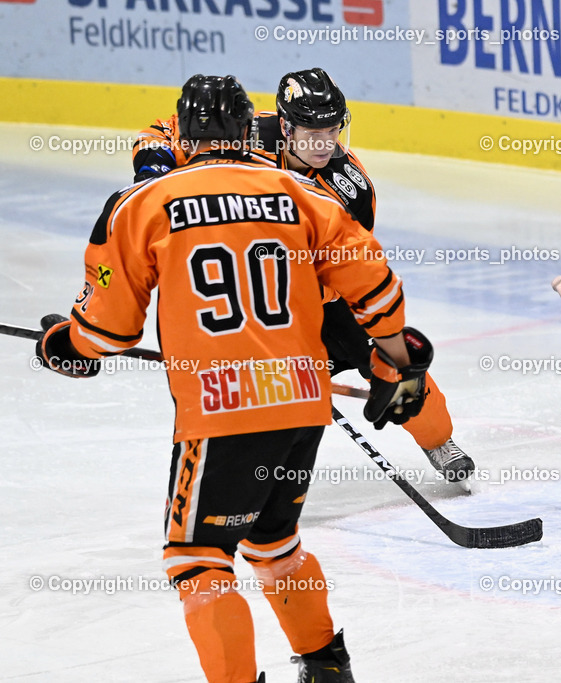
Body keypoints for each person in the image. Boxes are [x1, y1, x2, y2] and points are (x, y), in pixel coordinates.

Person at [35, 74, 433, 683]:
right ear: (253, 131)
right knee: (275, 543)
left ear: (183, 137)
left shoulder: (140, 204)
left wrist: (68, 344)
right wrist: (395, 367)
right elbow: (377, 291)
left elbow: (109, 331)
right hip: (303, 402)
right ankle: (327, 668)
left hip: (220, 412)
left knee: (197, 561)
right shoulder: (304, 193)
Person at [132, 67, 475, 482]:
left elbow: (350, 267)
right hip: (257, 298)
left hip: (322, 302)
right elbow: (162, 131)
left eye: (333, 131)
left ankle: (439, 440)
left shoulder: (350, 187)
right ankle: (251, 484)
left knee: (396, 367)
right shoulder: (246, 133)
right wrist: (152, 170)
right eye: (313, 132)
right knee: (257, 397)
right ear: (285, 125)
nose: (325, 144)